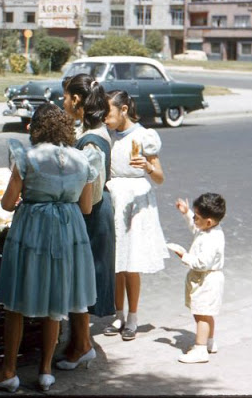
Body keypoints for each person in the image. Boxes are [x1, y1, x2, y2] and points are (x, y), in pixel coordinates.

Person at [0, 103, 100, 393]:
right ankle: (45, 371)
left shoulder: (27, 157)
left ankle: (8, 371)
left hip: (33, 229)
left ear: (36, 128)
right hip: (69, 229)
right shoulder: (83, 159)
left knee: (15, 301)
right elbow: (86, 207)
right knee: (56, 302)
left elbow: (7, 204)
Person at [58, 74, 115, 369]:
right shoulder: (89, 131)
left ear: (77, 100)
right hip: (89, 211)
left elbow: (89, 192)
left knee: (79, 282)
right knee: (77, 281)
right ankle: (80, 342)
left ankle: (82, 346)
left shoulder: (92, 141)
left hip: (90, 215)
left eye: (66, 97)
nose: (63, 101)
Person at [103, 90, 169, 341]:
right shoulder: (107, 136)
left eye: (109, 113)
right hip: (115, 198)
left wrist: (149, 167)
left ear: (123, 110)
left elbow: (161, 178)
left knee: (131, 263)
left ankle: (133, 317)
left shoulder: (144, 137)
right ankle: (117, 314)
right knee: (116, 262)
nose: (106, 118)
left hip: (136, 201)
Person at [169, 193, 226, 363]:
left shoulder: (211, 239)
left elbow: (202, 263)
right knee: (206, 313)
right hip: (207, 279)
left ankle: (200, 349)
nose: (194, 219)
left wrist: (183, 255)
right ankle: (209, 341)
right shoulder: (210, 230)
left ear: (208, 222)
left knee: (201, 314)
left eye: (196, 217)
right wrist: (186, 213)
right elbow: (195, 228)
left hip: (206, 280)